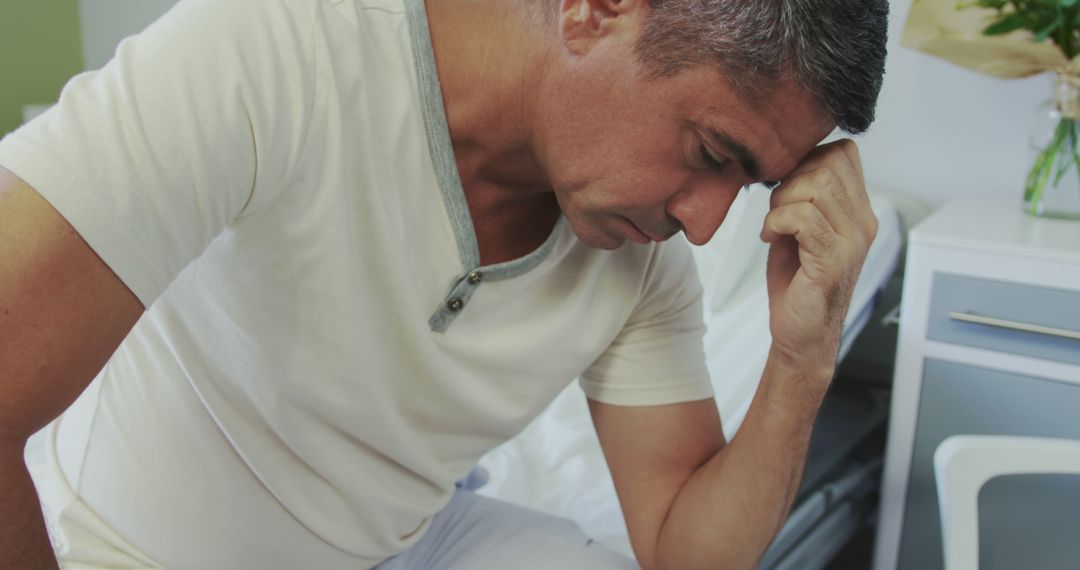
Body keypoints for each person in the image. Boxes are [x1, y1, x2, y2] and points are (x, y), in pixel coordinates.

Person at [0, 0, 887, 567]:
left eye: (747, 184)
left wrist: (804, 357)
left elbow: (682, 551)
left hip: (401, 546)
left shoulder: (638, 256)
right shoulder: (274, 51)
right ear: (599, 10)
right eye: (710, 155)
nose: (705, 223)